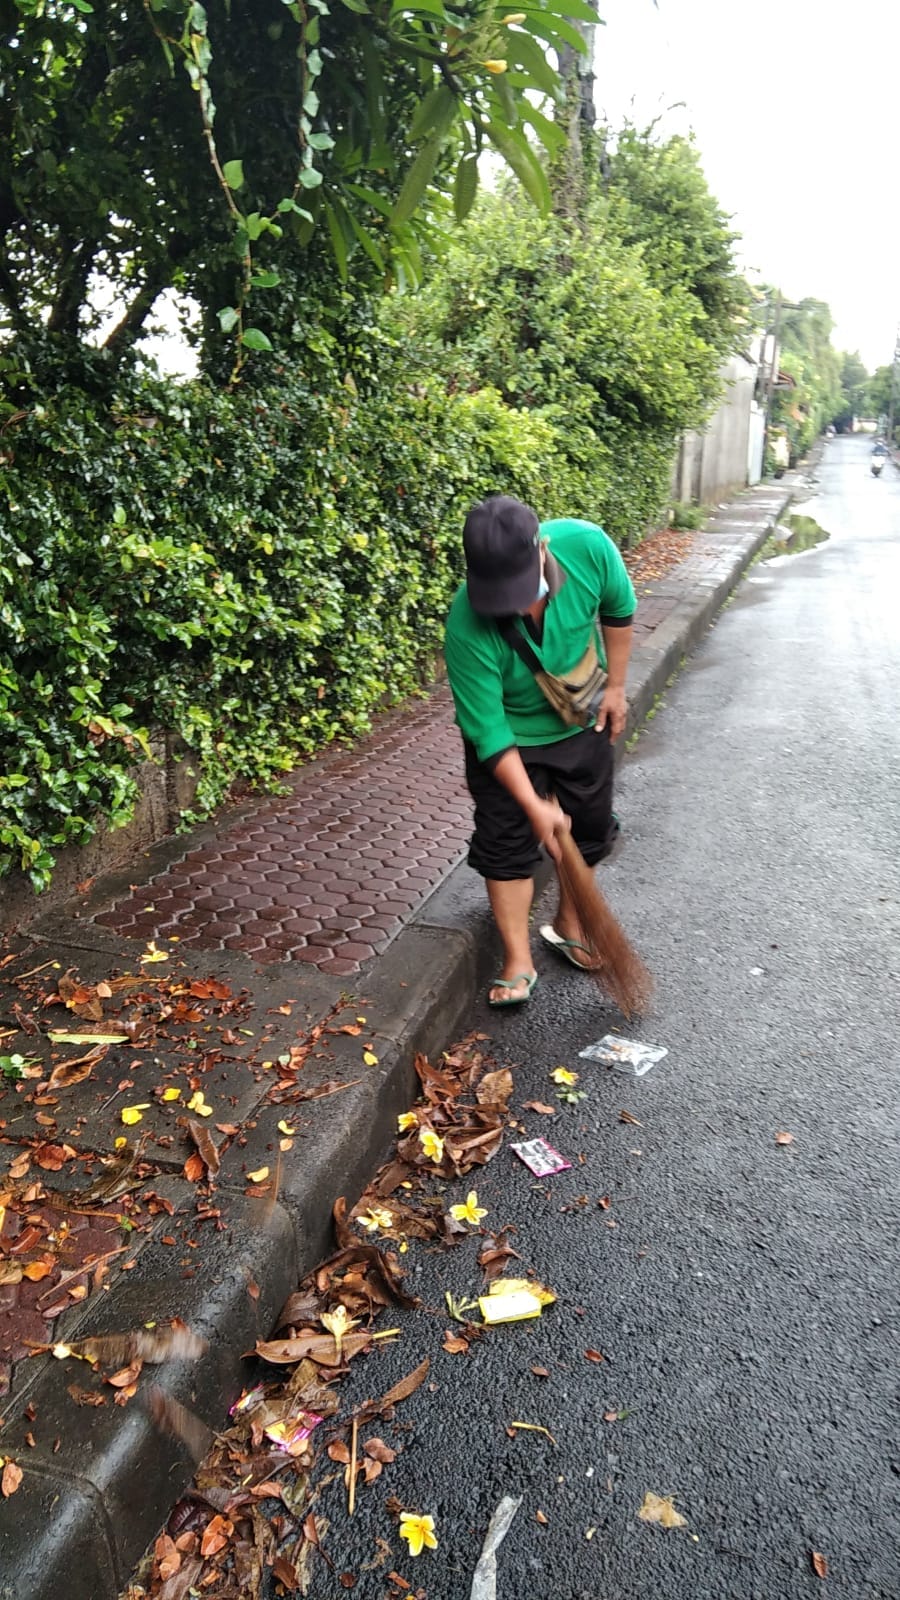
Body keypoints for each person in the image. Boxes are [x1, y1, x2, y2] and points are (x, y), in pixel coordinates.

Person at [444, 493, 637, 1007]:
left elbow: (619, 610)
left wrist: (617, 687)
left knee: (588, 832)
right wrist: (532, 803)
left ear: (542, 550)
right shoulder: (465, 622)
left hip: (579, 718)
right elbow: (488, 730)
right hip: (510, 736)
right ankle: (518, 960)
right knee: (505, 845)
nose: (512, 605)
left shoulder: (588, 547)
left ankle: (570, 924)